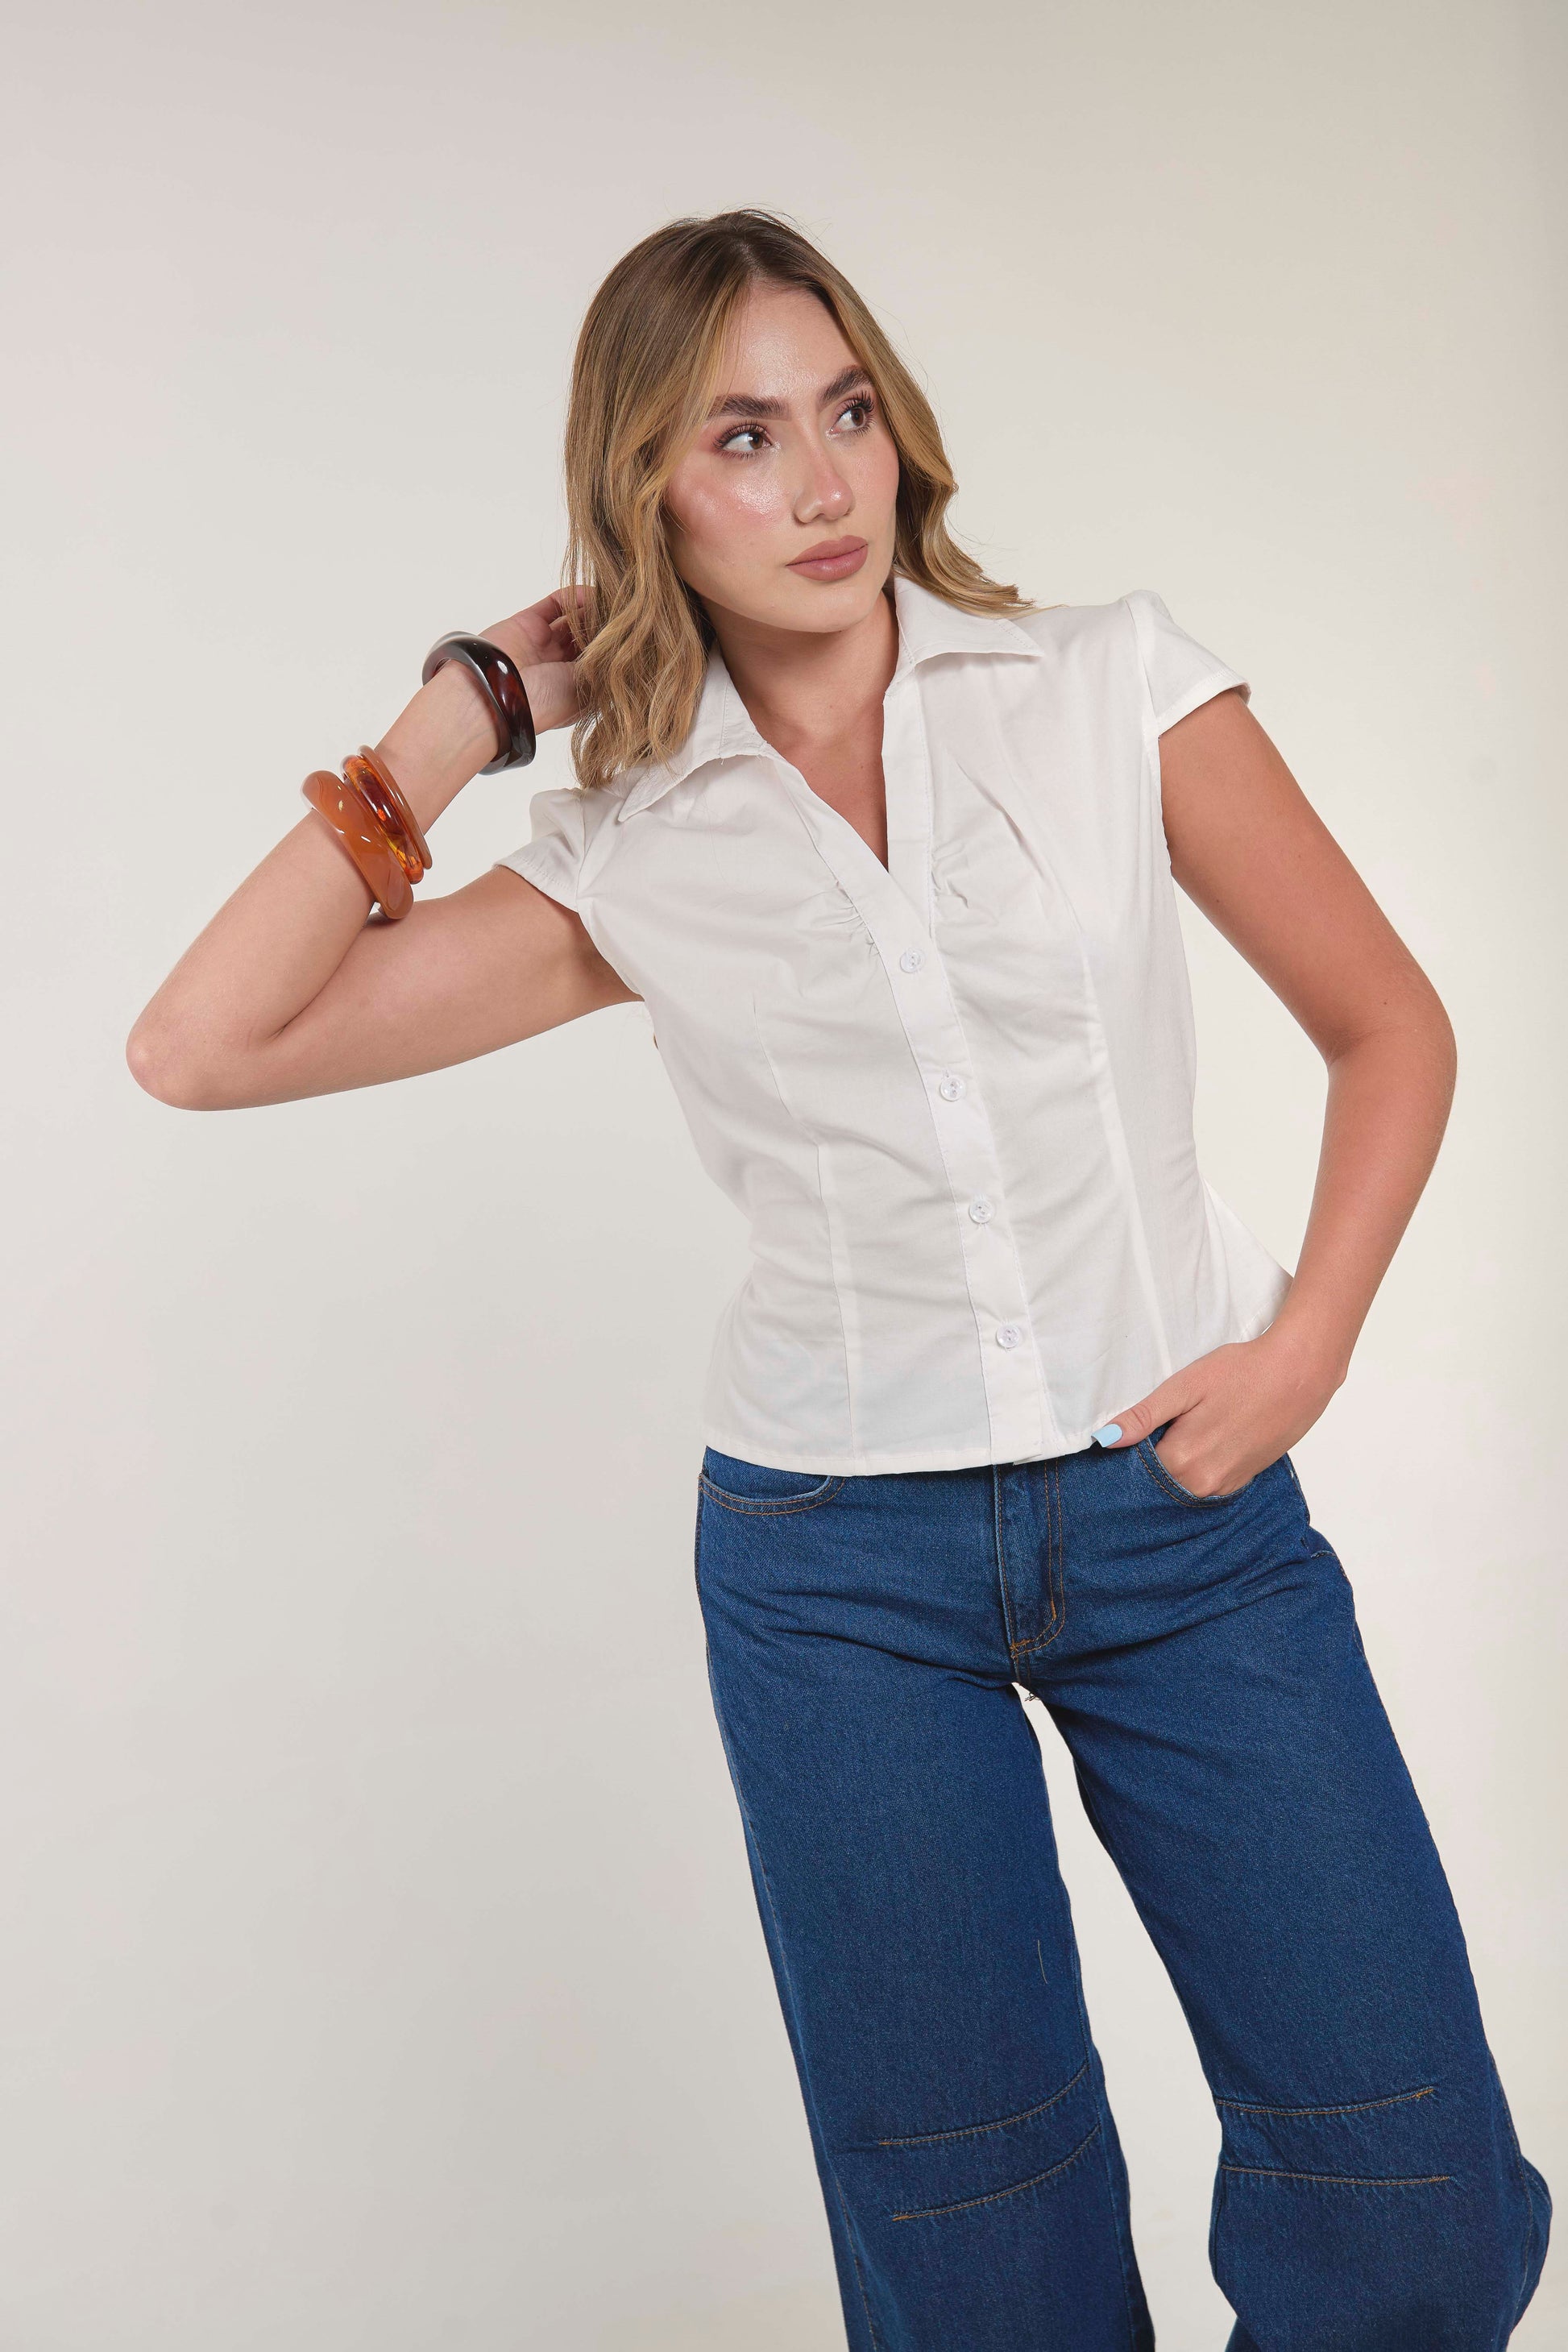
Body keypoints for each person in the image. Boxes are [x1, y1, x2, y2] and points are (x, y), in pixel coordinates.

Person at [127, 209, 1549, 2350]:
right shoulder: (627, 849)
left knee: (1416, 2200)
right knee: (973, 2257)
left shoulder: (1109, 687)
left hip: (1185, 1517)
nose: (821, 484)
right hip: (835, 1572)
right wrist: (464, 711)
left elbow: (1388, 1026)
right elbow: (198, 1047)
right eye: (742, 437)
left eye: (849, 412)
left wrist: (1309, 1345)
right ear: (643, 495)